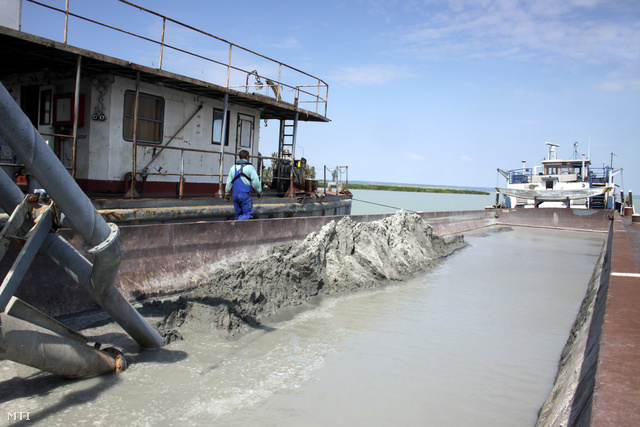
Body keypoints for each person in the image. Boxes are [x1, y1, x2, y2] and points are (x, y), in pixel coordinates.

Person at [224, 150, 263, 220]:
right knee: (248, 214)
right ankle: (236, 223)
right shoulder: (250, 168)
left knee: (238, 214)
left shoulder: (233, 168)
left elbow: (229, 181)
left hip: (235, 194)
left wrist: (227, 192)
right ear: (247, 157)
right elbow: (256, 182)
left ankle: (236, 227)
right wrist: (259, 192)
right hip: (245, 194)